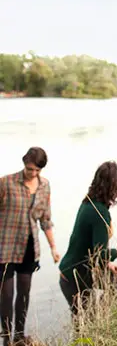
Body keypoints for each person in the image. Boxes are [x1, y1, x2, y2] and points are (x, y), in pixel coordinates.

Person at [59, 161, 117, 323]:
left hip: (73, 272)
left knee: (115, 283)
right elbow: (100, 256)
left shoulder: (89, 203)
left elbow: (91, 247)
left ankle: (98, 317)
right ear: (113, 186)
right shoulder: (99, 213)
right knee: (84, 328)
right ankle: (98, 318)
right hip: (74, 278)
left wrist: (107, 264)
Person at [0, 147, 60, 346]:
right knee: (6, 295)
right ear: (24, 163)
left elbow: (45, 219)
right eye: (29, 169)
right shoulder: (6, 183)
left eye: (36, 170)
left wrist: (53, 247)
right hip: (5, 248)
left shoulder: (45, 186)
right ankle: (6, 338)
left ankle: (19, 335)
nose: (32, 173)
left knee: (24, 294)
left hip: (28, 248)